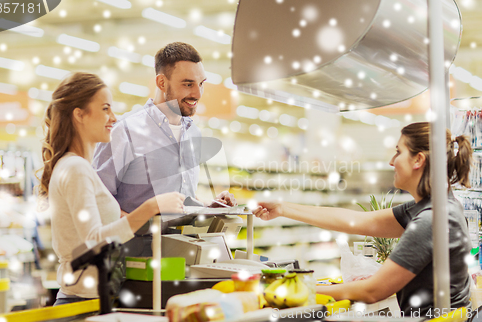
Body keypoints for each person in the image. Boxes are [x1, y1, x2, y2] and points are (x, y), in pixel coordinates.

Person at [253, 122, 472, 316]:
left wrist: (291, 288)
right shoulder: (433, 208)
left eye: (398, 152)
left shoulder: (430, 220)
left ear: (418, 160)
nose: (391, 161)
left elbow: (371, 291)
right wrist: (283, 208)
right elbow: (356, 221)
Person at [37, 72, 185, 305]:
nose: (113, 118)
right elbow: (94, 241)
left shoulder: (75, 166)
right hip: (81, 303)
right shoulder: (75, 168)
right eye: (105, 109)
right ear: (80, 115)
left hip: (92, 298)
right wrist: (151, 207)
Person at [92, 42, 237, 251]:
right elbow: (99, 202)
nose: (198, 93)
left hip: (182, 257)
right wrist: (141, 228)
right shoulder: (124, 132)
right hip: (134, 261)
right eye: (188, 84)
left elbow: (181, 194)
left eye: (201, 83)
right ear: (161, 82)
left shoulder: (193, 133)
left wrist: (208, 206)